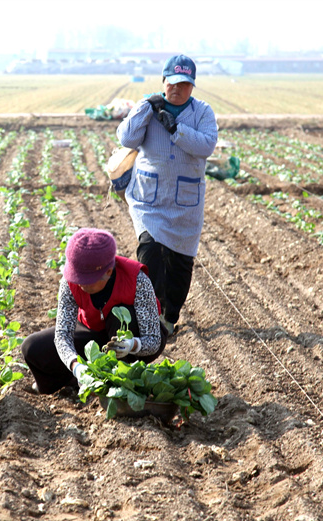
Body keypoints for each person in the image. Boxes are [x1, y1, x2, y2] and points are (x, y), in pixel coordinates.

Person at [117, 54, 218, 337]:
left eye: (183, 84)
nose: (177, 88)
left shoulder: (202, 112)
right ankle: (149, 317)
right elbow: (126, 138)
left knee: (179, 263)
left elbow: (207, 145)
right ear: (163, 82)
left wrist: (176, 128)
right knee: (149, 253)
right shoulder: (148, 108)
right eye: (172, 82)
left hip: (186, 203)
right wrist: (144, 109)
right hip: (149, 199)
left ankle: (169, 317)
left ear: (192, 86)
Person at [22, 228, 168, 394]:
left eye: (86, 280)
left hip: (130, 337)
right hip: (91, 333)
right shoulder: (70, 282)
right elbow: (62, 335)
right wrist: (75, 366)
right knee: (32, 347)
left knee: (120, 314)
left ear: (108, 272)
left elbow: (153, 340)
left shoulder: (137, 279)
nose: (79, 283)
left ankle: (121, 380)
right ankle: (76, 379)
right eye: (76, 276)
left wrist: (131, 344)